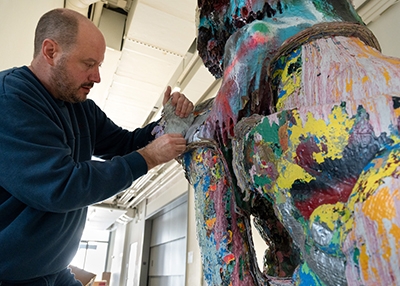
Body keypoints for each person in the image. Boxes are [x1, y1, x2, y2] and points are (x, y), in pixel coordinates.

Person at [0, 8, 193, 285]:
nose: (97, 76)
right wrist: (148, 158)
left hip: (55, 270)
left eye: (99, 65)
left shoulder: (81, 109)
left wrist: (165, 123)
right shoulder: (10, 100)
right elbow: (61, 187)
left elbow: (124, 144)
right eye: (88, 63)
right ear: (51, 51)